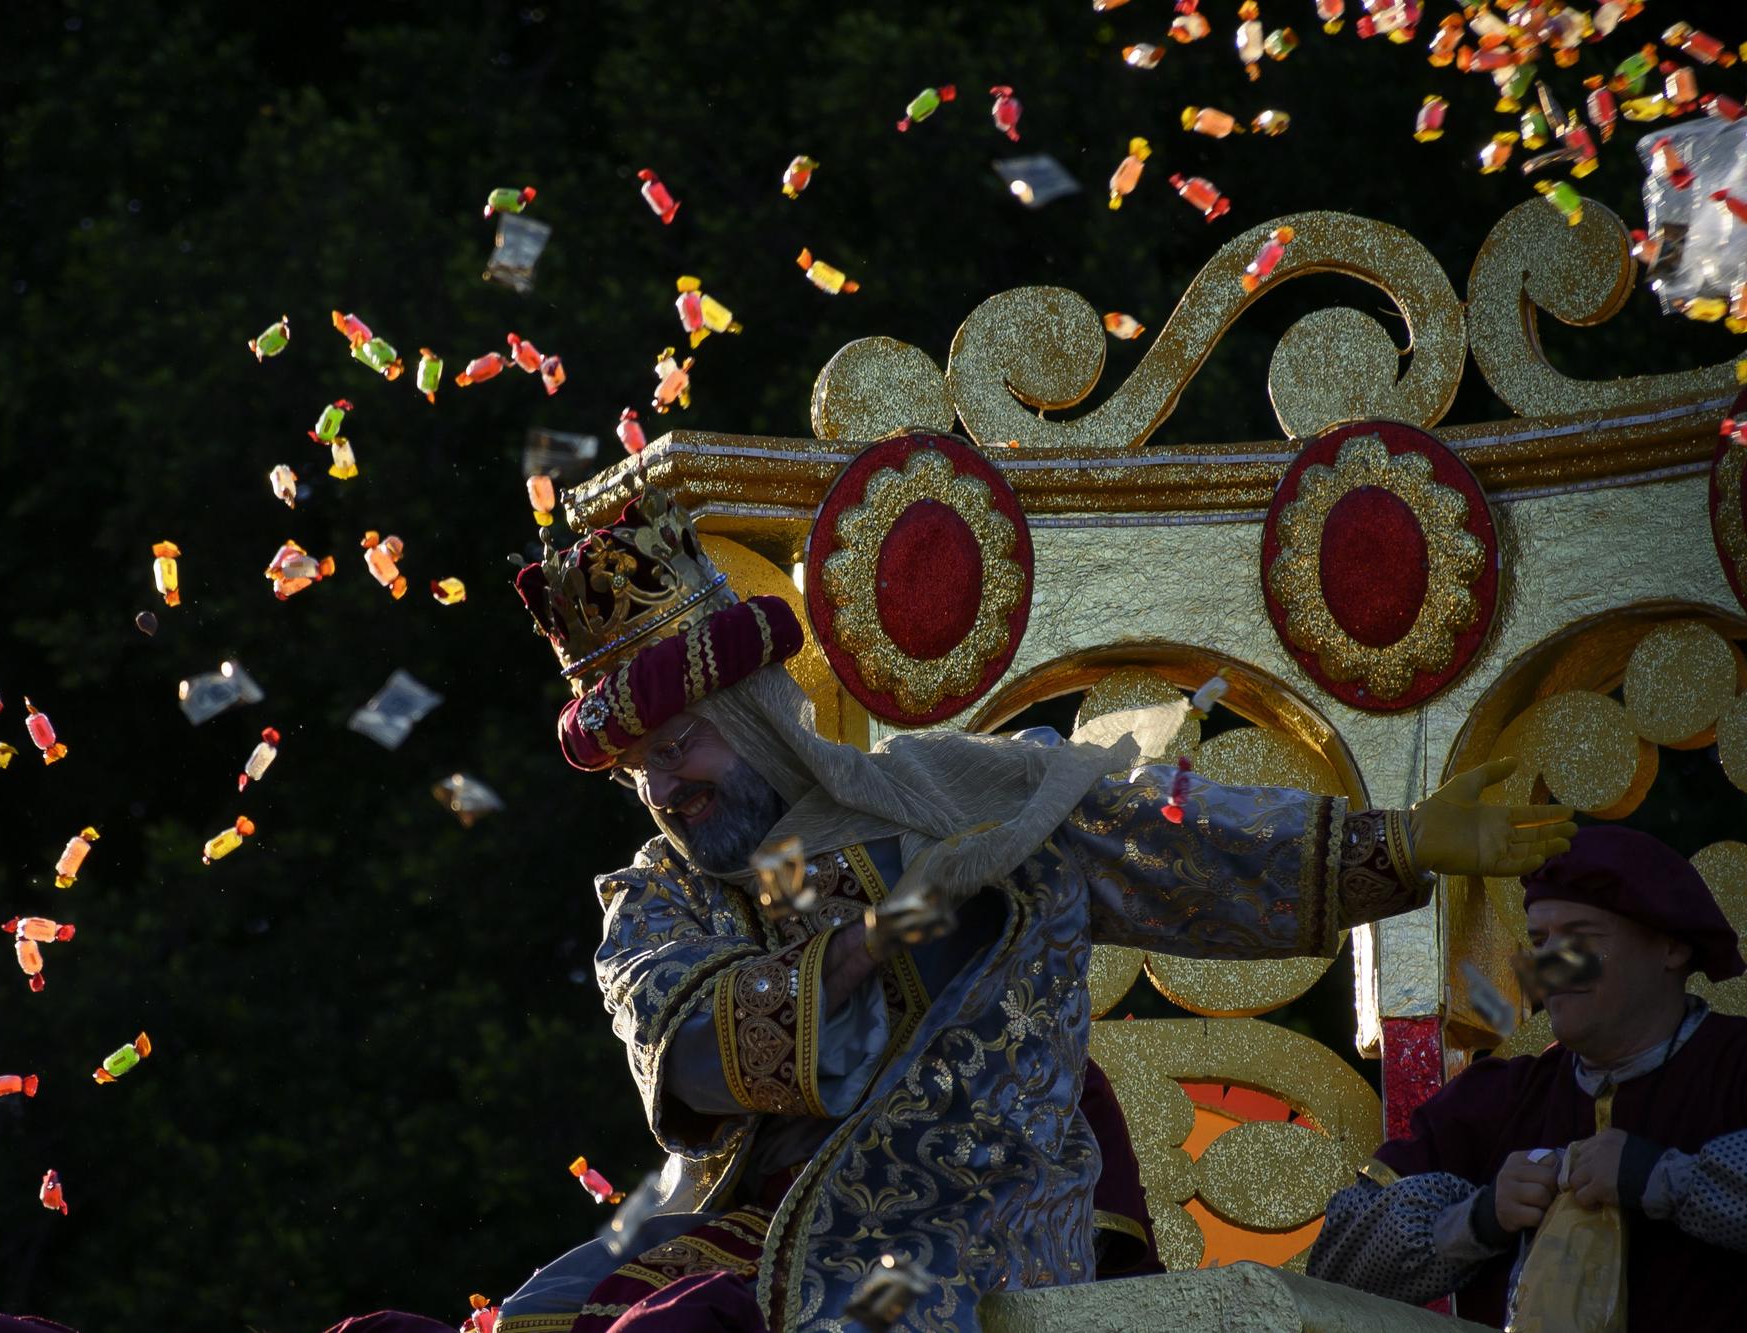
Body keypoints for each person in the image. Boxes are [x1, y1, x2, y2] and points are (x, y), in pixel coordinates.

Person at [496, 489, 1572, 1333]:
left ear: (754, 716)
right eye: (635, 765)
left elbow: (1169, 845)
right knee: (545, 1316)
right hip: (764, 1215)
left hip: (964, 1223)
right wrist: (881, 937)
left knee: (761, 1327)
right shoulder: (664, 889)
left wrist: (1400, 844)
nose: (661, 785)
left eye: (678, 743)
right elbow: (682, 1039)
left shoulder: (949, 796)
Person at [1307, 824, 1747, 1327]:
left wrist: (1663, 1178)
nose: (1552, 969)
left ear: (1671, 948)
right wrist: (1478, 1218)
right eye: (1540, 942)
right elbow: (1334, 1265)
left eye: (1580, 940)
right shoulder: (1492, 1099)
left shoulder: (1736, 1067)